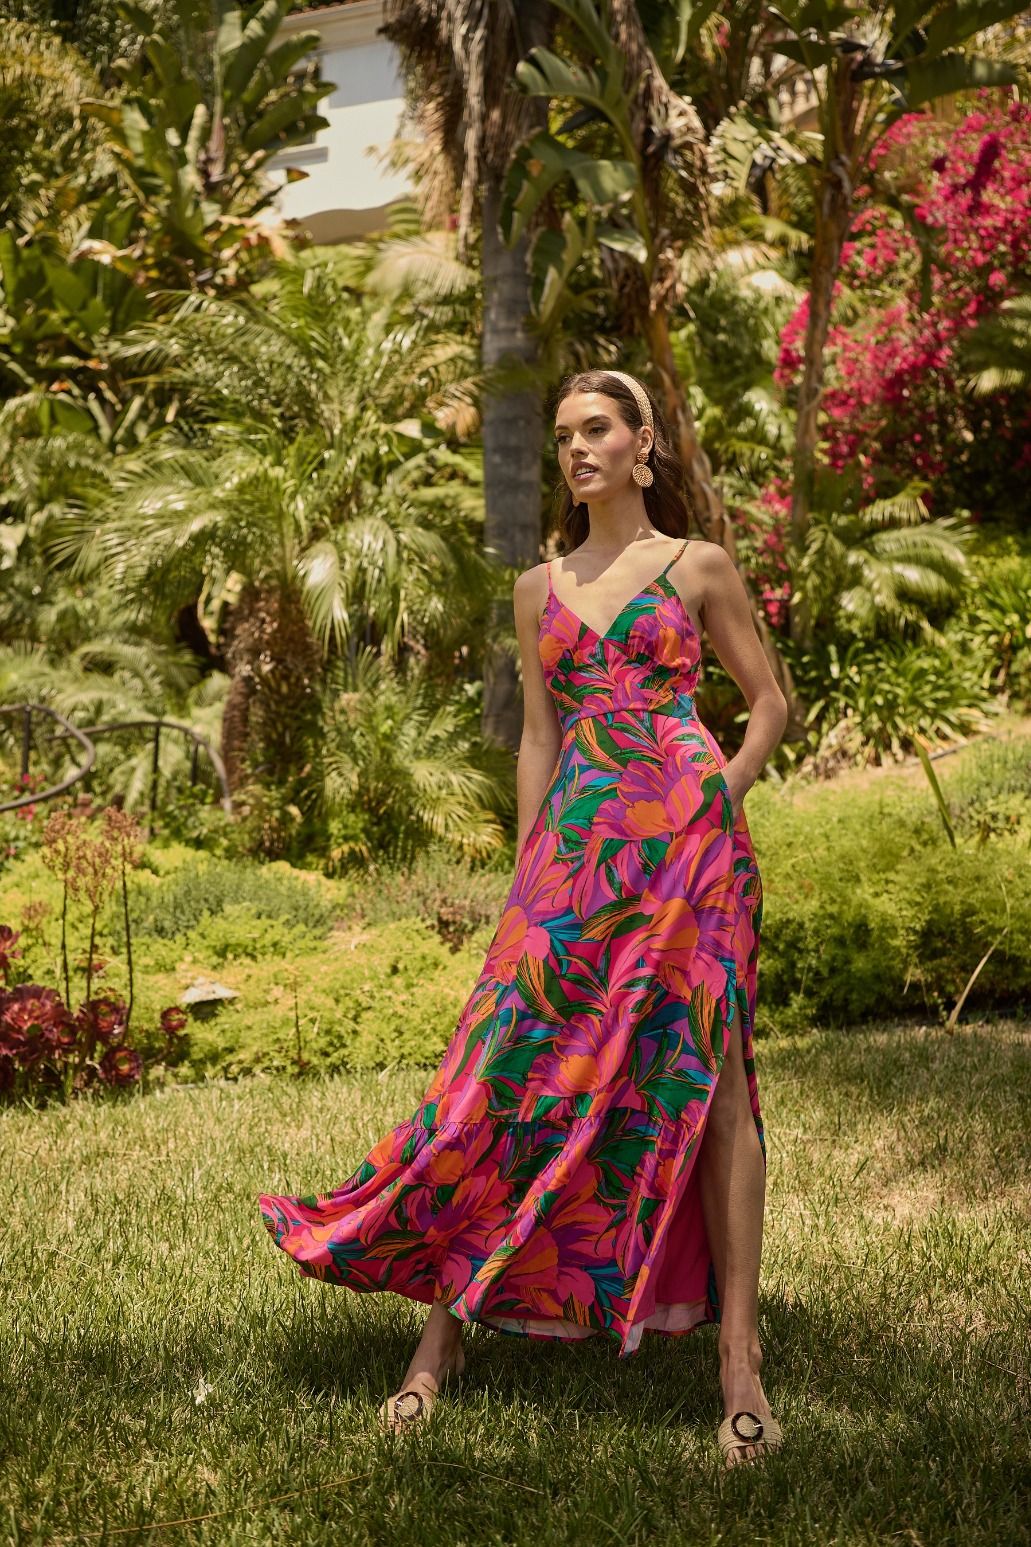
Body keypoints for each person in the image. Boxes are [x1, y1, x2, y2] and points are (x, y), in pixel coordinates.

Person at [258, 367, 789, 1467]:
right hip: (572, 862)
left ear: (642, 445)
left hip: (690, 860)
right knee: (503, 1075)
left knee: (715, 1083)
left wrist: (717, 797)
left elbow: (768, 703)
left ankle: (738, 1358)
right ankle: (439, 1334)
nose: (576, 449)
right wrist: (522, 882)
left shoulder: (696, 567)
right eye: (562, 435)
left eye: (596, 429)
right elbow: (539, 737)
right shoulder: (534, 587)